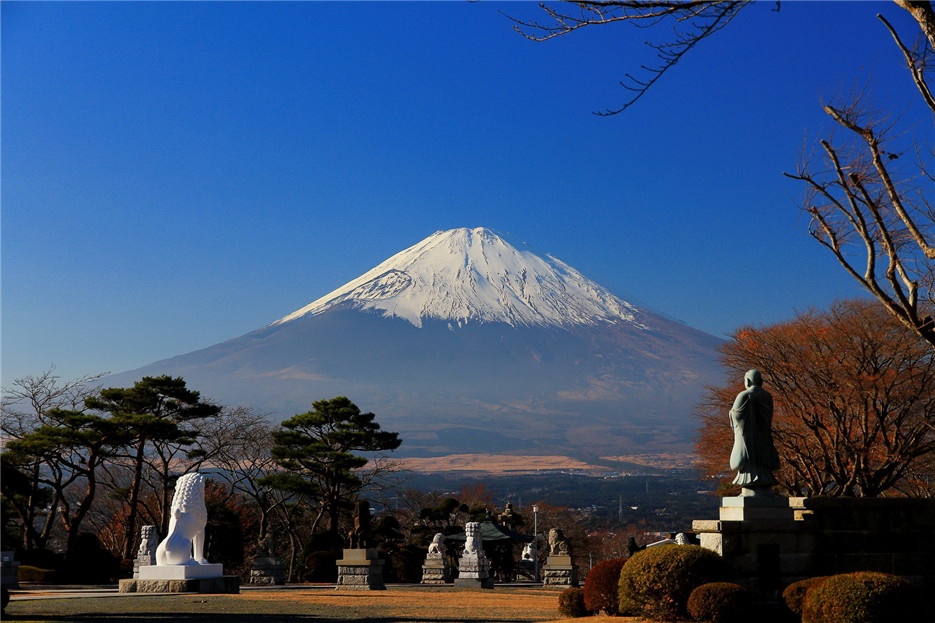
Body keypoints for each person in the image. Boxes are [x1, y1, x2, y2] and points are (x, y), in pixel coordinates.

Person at [729, 369, 780, 494]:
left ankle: (751, 489)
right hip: (763, 439)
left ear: (747, 381)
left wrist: (731, 413)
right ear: (761, 381)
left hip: (748, 440)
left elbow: (736, 416)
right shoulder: (767, 396)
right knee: (762, 465)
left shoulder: (744, 395)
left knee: (750, 468)